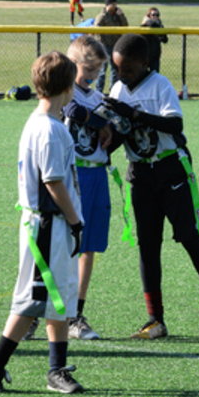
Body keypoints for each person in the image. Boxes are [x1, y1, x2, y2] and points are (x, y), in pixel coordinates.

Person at [105, 33, 199, 340]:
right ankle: (155, 319)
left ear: (145, 62)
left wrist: (134, 114)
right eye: (117, 69)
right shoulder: (117, 89)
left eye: (127, 69)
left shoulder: (160, 85)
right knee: (148, 245)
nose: (121, 75)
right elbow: (121, 133)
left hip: (171, 170)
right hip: (140, 173)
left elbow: (174, 124)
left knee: (190, 238)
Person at [0, 50, 85, 394]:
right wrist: (75, 221)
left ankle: (52, 369)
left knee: (55, 297)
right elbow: (53, 182)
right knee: (35, 299)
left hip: (48, 225)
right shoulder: (49, 129)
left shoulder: (43, 123)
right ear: (68, 88)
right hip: (48, 225)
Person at [64, 35, 112, 340]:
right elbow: (73, 111)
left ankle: (75, 315)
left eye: (97, 71)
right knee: (63, 246)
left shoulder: (98, 98)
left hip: (97, 175)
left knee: (88, 247)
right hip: (72, 176)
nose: (93, 76)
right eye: (88, 70)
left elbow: (110, 126)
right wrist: (100, 123)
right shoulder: (65, 92)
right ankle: (38, 311)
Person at [94, 0, 128, 93]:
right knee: (102, 70)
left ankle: (113, 90)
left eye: (115, 4)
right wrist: (102, 43)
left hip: (116, 45)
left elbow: (125, 26)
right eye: (113, 4)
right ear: (107, 5)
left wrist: (121, 15)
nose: (115, 6)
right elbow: (96, 30)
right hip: (104, 46)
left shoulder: (117, 15)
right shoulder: (102, 16)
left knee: (115, 69)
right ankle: (98, 91)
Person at [140, 7, 168, 72]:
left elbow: (165, 40)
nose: (155, 16)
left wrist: (160, 28)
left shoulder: (159, 25)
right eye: (153, 15)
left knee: (155, 74)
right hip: (145, 55)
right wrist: (147, 22)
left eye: (157, 15)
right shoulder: (146, 25)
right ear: (149, 16)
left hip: (155, 55)